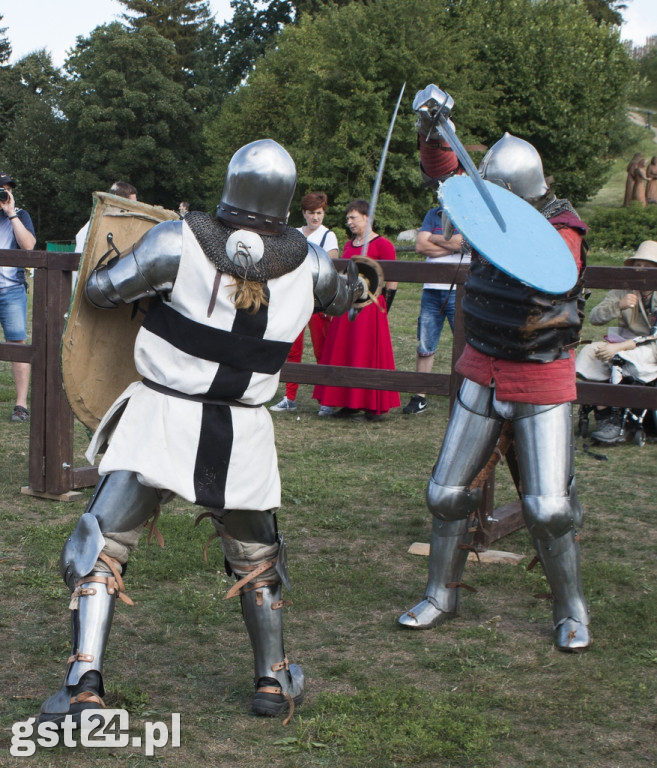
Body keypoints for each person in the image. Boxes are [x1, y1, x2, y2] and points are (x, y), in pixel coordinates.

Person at [37, 139, 358, 728]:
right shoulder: (312, 261)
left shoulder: (176, 240)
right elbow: (346, 299)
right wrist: (354, 280)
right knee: (258, 558)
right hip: (243, 430)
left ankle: (84, 683)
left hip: (162, 418)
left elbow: (100, 292)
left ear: (232, 184)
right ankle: (274, 677)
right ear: (285, 199)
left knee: (99, 546)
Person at [399, 127, 591, 653]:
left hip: (540, 374)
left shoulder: (565, 229)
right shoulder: (487, 210)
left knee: (548, 508)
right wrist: (433, 130)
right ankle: (441, 594)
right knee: (445, 493)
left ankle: (571, 609)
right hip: (483, 365)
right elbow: (445, 173)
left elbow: (552, 268)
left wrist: (490, 224)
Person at [404, 89, 470, 414]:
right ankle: (420, 395)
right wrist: (448, 243)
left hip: (460, 289)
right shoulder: (433, 214)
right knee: (425, 344)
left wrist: (439, 243)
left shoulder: (469, 214)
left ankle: (464, 397)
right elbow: (420, 245)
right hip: (433, 290)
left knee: (465, 346)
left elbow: (461, 244)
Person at [313, 199, 401, 421]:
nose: (349, 222)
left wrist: (384, 307)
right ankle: (348, 402)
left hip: (371, 307)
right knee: (347, 351)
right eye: (348, 218)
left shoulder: (384, 245)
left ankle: (373, 406)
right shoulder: (350, 245)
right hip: (349, 305)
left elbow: (392, 281)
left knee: (368, 353)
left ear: (366, 217)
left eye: (353, 218)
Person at [576, 240, 657, 442]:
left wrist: (621, 347)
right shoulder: (625, 288)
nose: (641, 270)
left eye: (648, 266)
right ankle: (605, 418)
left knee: (619, 357)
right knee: (591, 352)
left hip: (651, 345)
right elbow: (595, 317)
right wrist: (618, 306)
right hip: (625, 341)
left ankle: (620, 418)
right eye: (638, 265)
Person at [270, 191, 339, 415]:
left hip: (319, 300)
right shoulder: (295, 234)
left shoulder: (329, 236)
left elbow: (332, 266)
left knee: (323, 349)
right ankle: (290, 397)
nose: (315, 217)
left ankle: (326, 399)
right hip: (295, 297)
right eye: (311, 213)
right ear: (304, 213)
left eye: (319, 213)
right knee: (292, 347)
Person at [0, 172, 36, 423]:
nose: (4, 193)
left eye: (7, 189)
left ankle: (21, 405)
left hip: (11, 290)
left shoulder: (20, 215)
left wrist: (11, 213)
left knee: (17, 346)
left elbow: (29, 246)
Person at [75, 182, 138, 254]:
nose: (135, 209)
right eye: (133, 205)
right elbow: (80, 259)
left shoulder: (129, 228)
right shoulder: (91, 229)